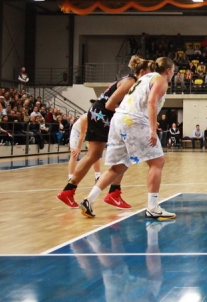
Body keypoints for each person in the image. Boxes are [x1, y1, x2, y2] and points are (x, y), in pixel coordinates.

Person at [80, 57, 175, 220]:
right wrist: (153, 129)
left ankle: (89, 200)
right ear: (168, 70)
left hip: (118, 120)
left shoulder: (144, 78)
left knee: (118, 166)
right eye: (173, 71)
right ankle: (153, 207)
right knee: (157, 162)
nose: (173, 74)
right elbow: (151, 102)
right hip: (134, 121)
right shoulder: (161, 80)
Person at [56, 56, 150, 209]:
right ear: (143, 72)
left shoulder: (131, 81)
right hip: (101, 116)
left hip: (104, 116)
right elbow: (110, 104)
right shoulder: (130, 82)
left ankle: (109, 192)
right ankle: (71, 190)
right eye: (150, 73)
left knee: (118, 154)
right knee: (96, 155)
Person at [67, 113, 101, 182]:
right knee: (74, 154)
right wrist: (78, 147)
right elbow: (82, 134)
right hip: (77, 132)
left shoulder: (101, 118)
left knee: (95, 154)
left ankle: (98, 176)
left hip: (89, 132)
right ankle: (70, 177)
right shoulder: (85, 118)